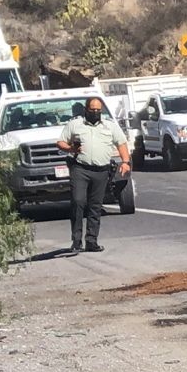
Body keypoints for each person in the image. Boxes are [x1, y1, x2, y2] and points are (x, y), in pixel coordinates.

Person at [56, 96, 130, 254]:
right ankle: (76, 241)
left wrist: (125, 162)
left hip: (101, 171)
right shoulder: (75, 124)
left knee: (95, 206)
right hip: (80, 169)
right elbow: (61, 142)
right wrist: (71, 149)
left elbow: (121, 143)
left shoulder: (109, 126)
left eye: (98, 110)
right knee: (78, 201)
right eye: (92, 110)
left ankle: (91, 241)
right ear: (86, 110)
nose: (95, 113)